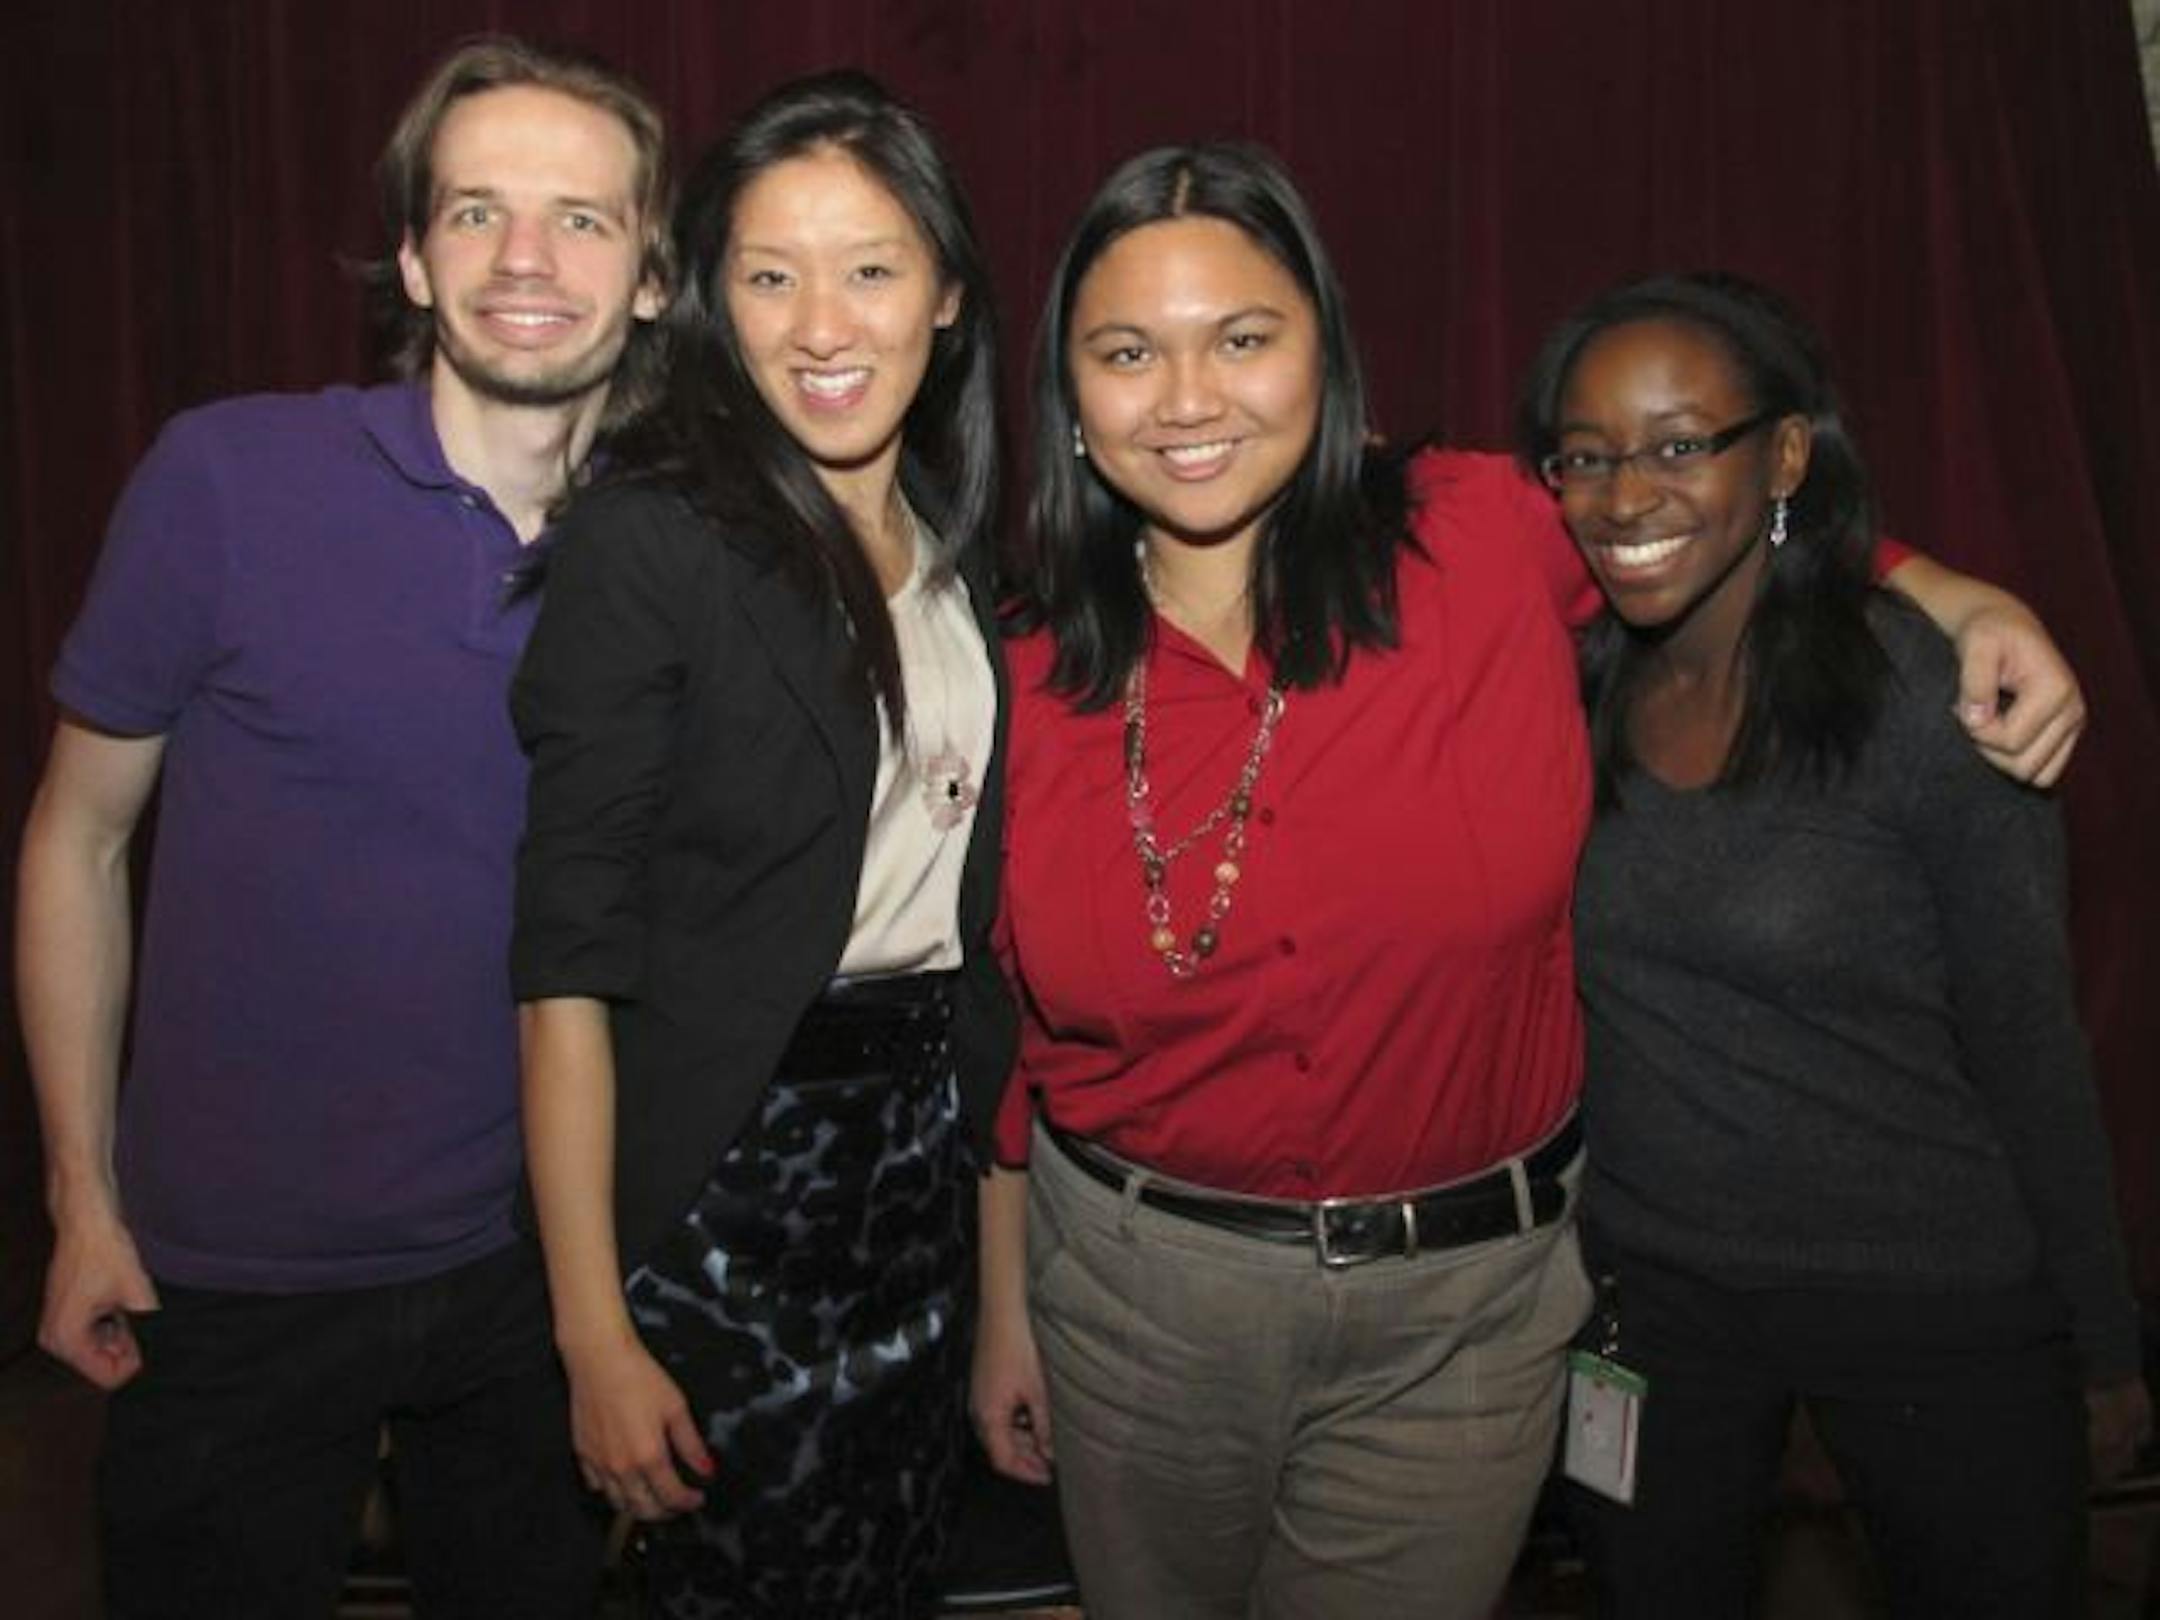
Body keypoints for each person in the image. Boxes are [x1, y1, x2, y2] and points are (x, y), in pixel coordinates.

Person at [969, 142, 2092, 1620]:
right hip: (1141, 1307)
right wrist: (1005, 1307)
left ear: (1324, 349)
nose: (1187, 400)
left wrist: (1947, 588)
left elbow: (1697, 502)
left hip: (1465, 1322)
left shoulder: (1479, 538)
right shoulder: (1017, 666)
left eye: (1243, 338)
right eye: (1127, 353)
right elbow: (1006, 1028)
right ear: (1069, 396)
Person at [15, 36, 667, 1619]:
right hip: (230, 1277)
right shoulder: (227, 480)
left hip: (538, 1273)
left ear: (654, 277)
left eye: (582, 220)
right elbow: (75, 844)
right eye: (477, 213)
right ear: (413, 259)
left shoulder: (673, 548)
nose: (527, 259)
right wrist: (81, 1200)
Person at [1517, 271, 2152, 1618]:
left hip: (1929, 1304)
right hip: (1657, 1309)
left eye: (1683, 445)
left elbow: (2030, 1032)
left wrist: (2104, 1349)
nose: (1627, 497)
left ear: (1787, 454)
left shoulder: (1926, 698)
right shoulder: (1566, 684)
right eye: (1587, 455)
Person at [510, 70, 1014, 1619]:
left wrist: (1004, 1297)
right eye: (770, 275)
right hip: (725, 1204)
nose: (821, 324)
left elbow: (984, 964)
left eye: (870, 269)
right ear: (715, 302)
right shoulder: (652, 535)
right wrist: (594, 1330)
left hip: (917, 1186)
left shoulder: (961, 543)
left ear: (941, 294)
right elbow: (563, 968)